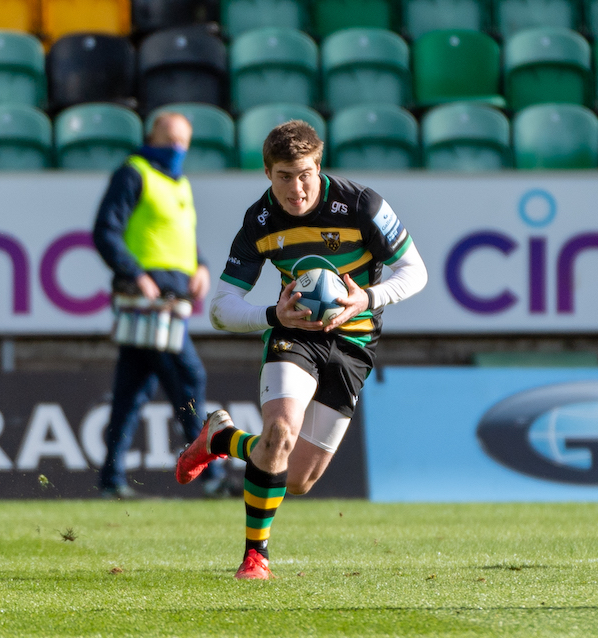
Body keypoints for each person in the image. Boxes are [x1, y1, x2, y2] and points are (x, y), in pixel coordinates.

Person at [171, 120, 428, 580]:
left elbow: (415, 271)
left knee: (297, 478)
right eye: (285, 176)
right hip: (295, 335)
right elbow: (221, 309)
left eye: (305, 174)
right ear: (267, 173)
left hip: (354, 342)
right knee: (280, 432)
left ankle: (222, 438)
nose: (297, 189)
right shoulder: (260, 220)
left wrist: (368, 298)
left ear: (319, 166)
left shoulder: (361, 205)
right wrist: (275, 315)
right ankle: (256, 556)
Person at [90, 111, 215, 499]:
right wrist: (136, 274)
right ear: (151, 136)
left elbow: (179, 236)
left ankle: (111, 480)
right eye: (170, 139)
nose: (177, 148)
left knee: (131, 391)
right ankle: (210, 474)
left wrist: (201, 265)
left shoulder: (180, 184)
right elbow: (106, 231)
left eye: (183, 142)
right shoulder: (134, 173)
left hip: (173, 302)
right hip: (150, 304)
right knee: (189, 377)